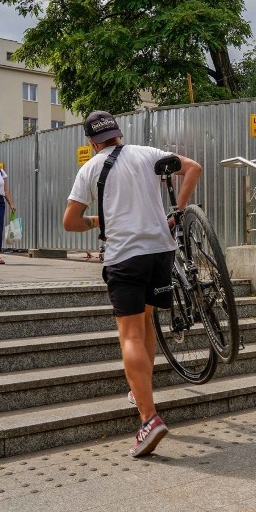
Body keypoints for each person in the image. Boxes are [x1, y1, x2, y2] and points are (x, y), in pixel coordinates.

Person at [63, 110, 202, 457]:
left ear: (92, 142)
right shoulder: (148, 153)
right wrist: (177, 212)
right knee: (146, 322)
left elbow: (70, 222)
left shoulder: (90, 168)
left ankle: (148, 418)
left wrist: (97, 219)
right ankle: (142, 391)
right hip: (160, 252)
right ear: (118, 133)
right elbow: (194, 168)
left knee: (129, 334)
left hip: (124, 256)